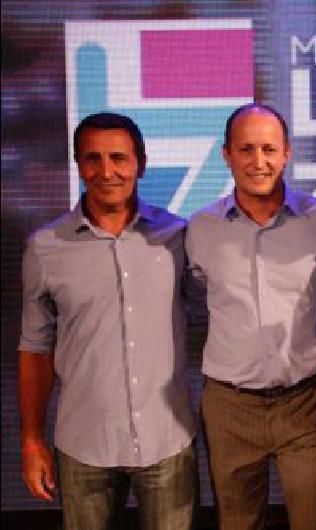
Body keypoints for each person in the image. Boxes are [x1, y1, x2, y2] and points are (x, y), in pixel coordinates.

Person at [18, 112, 197, 530]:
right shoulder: (45, 247)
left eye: (118, 158)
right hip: (84, 446)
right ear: (79, 166)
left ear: (140, 164)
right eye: (92, 159)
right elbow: (35, 349)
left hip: (167, 441)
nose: (106, 171)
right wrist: (31, 439)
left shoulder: (178, 237)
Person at [186, 103, 316, 530]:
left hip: (305, 402)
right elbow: (193, 299)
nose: (259, 161)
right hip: (230, 407)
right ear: (227, 155)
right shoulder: (200, 229)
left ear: (287, 153)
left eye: (269, 149)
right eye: (246, 149)